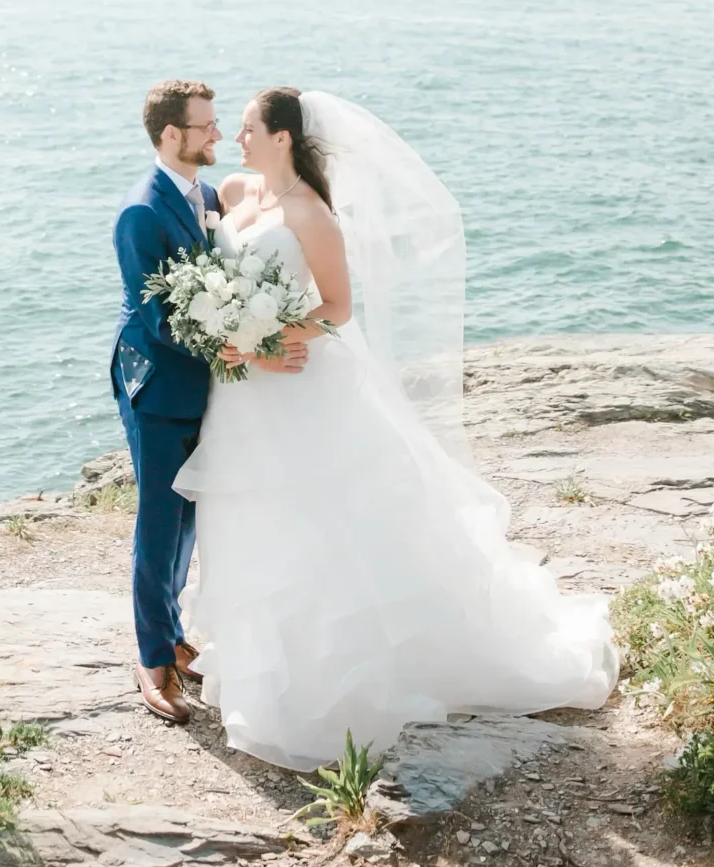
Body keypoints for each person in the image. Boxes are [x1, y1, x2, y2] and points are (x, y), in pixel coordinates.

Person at [175, 86, 617, 769]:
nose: (238, 139)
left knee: (313, 522)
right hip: (240, 398)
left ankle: (320, 680)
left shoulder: (311, 216)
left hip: (297, 389)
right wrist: (225, 329)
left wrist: (264, 337)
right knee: (246, 514)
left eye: (247, 129)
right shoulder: (237, 193)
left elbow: (337, 308)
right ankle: (256, 661)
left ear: (283, 138)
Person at [111, 78, 308, 726]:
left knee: (189, 518)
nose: (218, 135)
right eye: (206, 127)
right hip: (160, 388)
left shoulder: (201, 195)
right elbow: (156, 316)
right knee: (159, 520)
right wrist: (236, 343)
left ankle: (171, 633)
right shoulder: (140, 212)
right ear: (172, 135)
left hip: (205, 387)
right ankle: (151, 661)